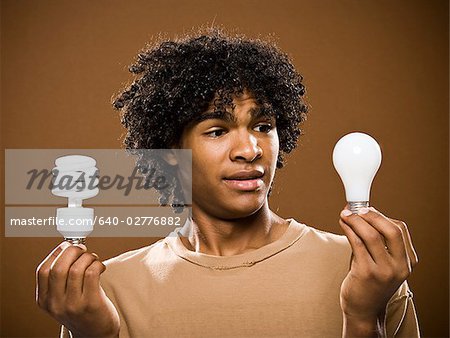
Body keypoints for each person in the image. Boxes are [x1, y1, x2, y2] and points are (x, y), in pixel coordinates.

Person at [36, 28, 420, 337]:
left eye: (263, 126)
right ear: (171, 151)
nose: (250, 150)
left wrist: (364, 319)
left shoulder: (367, 271)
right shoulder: (107, 293)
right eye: (218, 131)